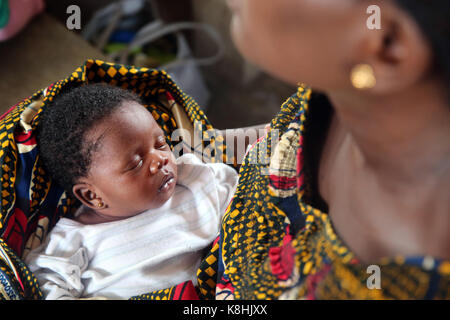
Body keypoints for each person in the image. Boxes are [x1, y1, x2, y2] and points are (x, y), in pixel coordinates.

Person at [208, 0, 450, 299]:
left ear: (387, 47)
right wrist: (204, 145)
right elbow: (281, 140)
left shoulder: (397, 280)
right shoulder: (338, 88)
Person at [24, 83, 239, 299]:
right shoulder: (73, 240)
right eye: (136, 163)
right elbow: (46, 288)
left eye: (161, 143)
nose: (160, 160)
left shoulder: (192, 180)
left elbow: (244, 198)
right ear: (92, 195)